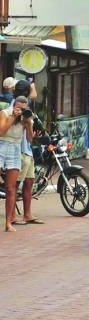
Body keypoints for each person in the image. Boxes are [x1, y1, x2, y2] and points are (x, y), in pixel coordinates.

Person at [0, 96, 33, 232]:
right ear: (14, 105)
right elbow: (1, 132)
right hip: (2, 145)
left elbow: (30, 140)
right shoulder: (5, 113)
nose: (20, 110)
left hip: (15, 148)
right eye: (18, 107)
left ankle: (8, 222)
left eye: (23, 109)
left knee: (11, 188)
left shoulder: (26, 118)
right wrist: (13, 117)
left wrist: (29, 124)